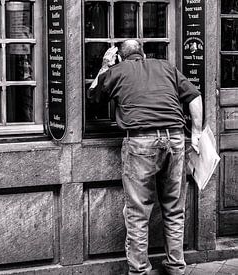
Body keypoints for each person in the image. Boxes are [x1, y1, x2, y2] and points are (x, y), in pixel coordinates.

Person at [87, 39, 203, 275]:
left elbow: (94, 97)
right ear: (143, 53)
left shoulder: (116, 71)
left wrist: (104, 66)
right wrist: (198, 133)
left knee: (138, 211)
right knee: (174, 207)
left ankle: (139, 270)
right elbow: (194, 96)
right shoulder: (165, 67)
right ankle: (176, 265)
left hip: (141, 141)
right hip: (176, 138)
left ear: (120, 56)